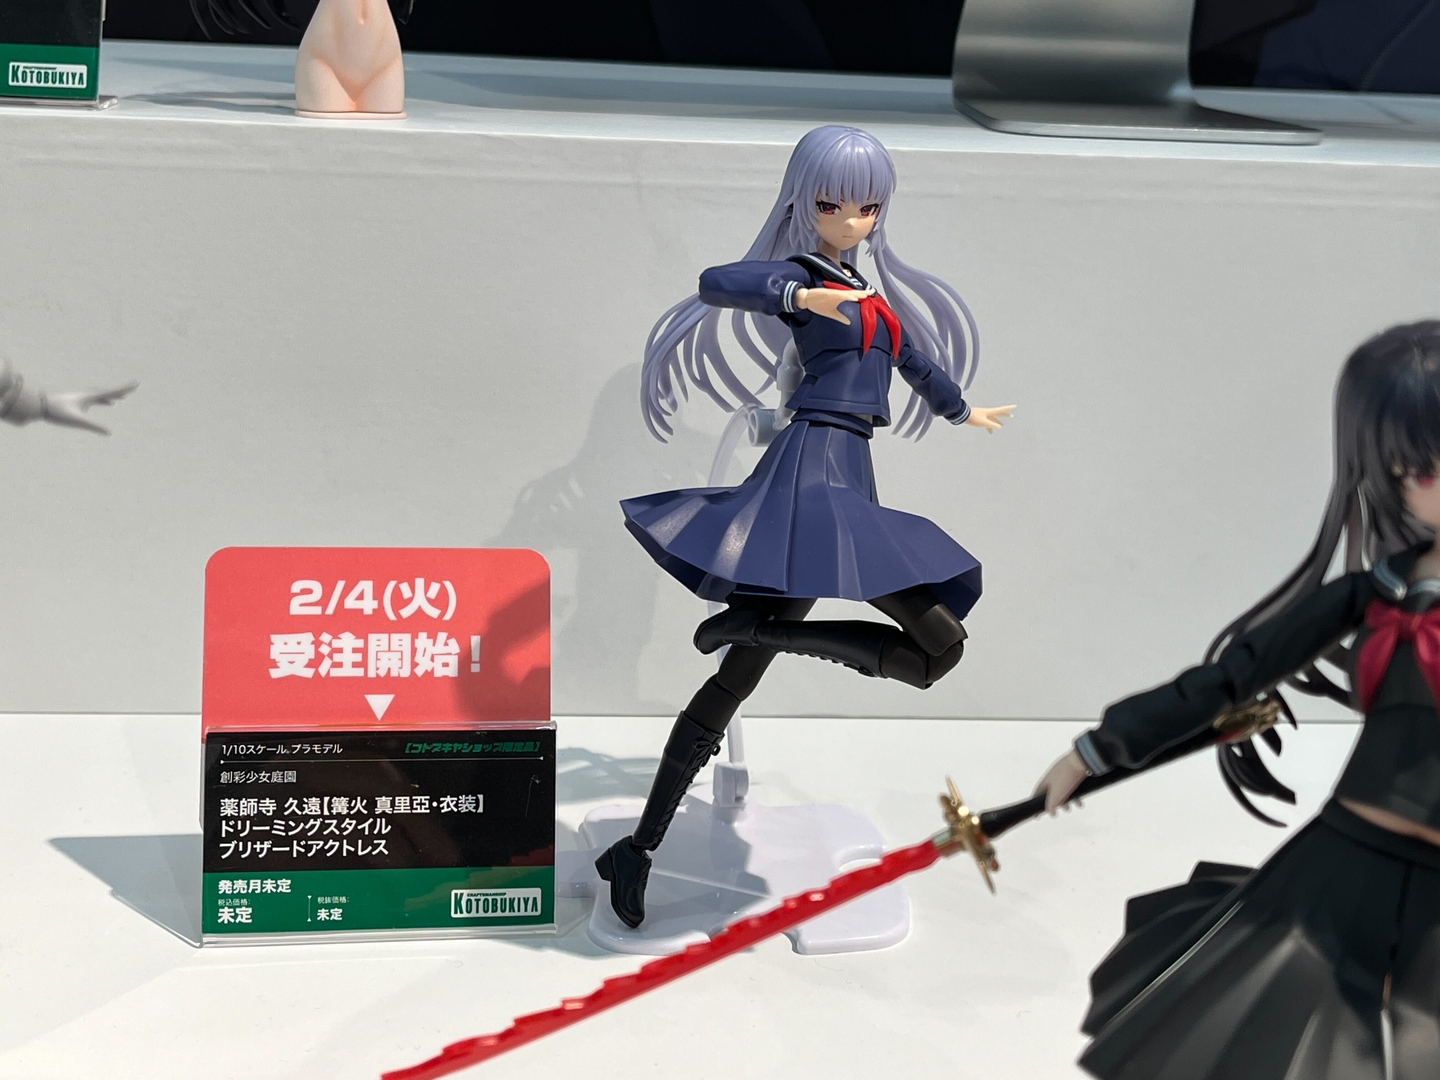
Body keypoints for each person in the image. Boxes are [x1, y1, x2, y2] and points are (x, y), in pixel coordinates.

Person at [598, 124, 1014, 929]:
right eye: (833, 204)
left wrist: (965, 410)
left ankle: (743, 649)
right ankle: (641, 844)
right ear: (803, 202)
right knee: (935, 645)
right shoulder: (804, 276)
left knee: (767, 673)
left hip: (851, 468)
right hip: (812, 468)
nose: (852, 220)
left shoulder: (877, 302)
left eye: (868, 207)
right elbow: (719, 281)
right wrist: (797, 297)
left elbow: (919, 367)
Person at [1036, 320, 1440, 1079]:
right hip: (1344, 860)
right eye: (1427, 468)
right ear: (1394, 475)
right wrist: (1098, 750)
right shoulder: (1373, 594)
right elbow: (1231, 677)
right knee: (1286, 1037)